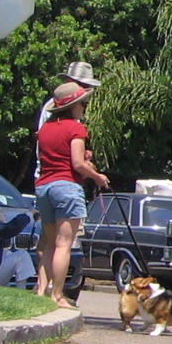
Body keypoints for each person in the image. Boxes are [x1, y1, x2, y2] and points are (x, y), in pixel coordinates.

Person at [33, 81, 110, 309]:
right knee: (63, 244)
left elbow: (55, 156)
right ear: (73, 106)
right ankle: (57, 295)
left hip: (44, 186)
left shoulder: (45, 129)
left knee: (48, 243)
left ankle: (41, 291)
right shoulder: (76, 129)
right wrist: (97, 176)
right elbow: (77, 163)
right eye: (83, 104)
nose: (84, 107)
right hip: (66, 186)